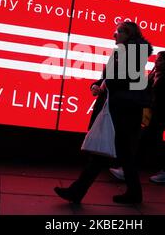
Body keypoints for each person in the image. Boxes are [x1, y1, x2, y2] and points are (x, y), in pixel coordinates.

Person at [54, 22, 153, 204]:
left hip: (122, 113)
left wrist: (104, 85)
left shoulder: (133, 54)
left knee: (102, 155)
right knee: (121, 155)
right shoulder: (124, 53)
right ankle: (133, 194)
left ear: (128, 34)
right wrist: (97, 84)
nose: (114, 34)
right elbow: (113, 78)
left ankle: (78, 192)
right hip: (122, 112)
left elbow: (124, 80)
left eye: (119, 31)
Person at [109, 51, 165, 184]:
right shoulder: (157, 75)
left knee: (142, 143)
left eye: (159, 60)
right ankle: (164, 171)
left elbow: (163, 102)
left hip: (158, 118)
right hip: (153, 118)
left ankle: (129, 171)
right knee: (153, 143)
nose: (156, 62)